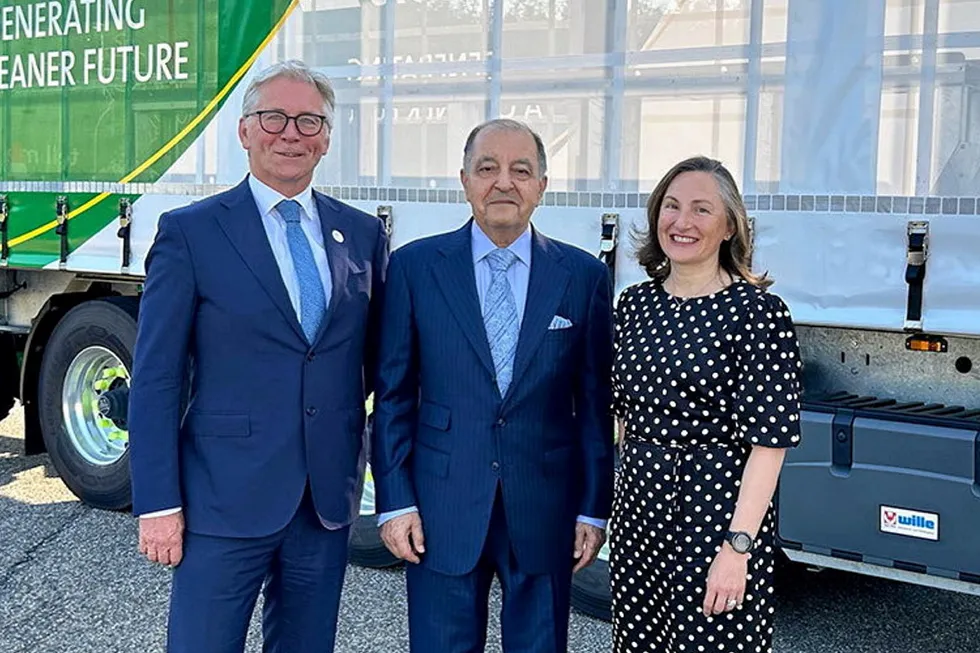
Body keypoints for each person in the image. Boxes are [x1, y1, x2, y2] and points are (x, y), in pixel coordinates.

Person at [127, 60, 387, 653]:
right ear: (244, 131)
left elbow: (371, 365)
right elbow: (158, 378)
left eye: (308, 121)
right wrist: (158, 502)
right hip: (221, 498)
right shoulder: (191, 232)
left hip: (323, 503)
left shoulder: (363, 235)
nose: (290, 133)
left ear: (326, 139)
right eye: (274, 118)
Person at [371, 118, 615, 652]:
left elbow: (595, 408)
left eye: (520, 170)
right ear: (464, 180)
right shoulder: (414, 268)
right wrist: (394, 502)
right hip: (440, 503)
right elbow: (391, 397)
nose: (503, 182)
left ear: (542, 187)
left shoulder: (582, 277)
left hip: (545, 506)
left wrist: (593, 508)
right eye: (487, 168)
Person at [609, 156, 803, 653]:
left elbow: (770, 442)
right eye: (671, 206)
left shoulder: (758, 313)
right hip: (638, 518)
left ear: (729, 226)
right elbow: (621, 415)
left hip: (715, 519)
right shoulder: (635, 304)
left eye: (701, 209)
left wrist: (737, 549)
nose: (682, 222)